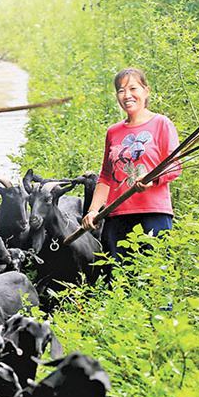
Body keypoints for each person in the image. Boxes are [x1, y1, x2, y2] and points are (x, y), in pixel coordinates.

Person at [81, 67, 181, 264]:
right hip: (117, 217)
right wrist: (92, 211)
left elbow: (174, 165)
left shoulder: (161, 124)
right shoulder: (113, 132)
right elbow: (106, 177)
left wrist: (152, 180)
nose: (127, 95)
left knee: (155, 273)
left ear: (146, 91)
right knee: (119, 276)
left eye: (133, 88)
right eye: (121, 90)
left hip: (153, 215)